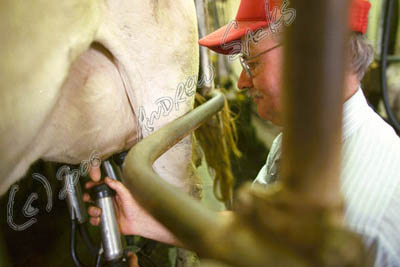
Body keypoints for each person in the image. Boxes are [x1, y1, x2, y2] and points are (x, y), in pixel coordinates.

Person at [84, 0, 400, 266]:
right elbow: (253, 235)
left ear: (312, 58)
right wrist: (145, 219)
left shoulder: (357, 217)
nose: (241, 83)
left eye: (251, 64)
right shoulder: (302, 143)